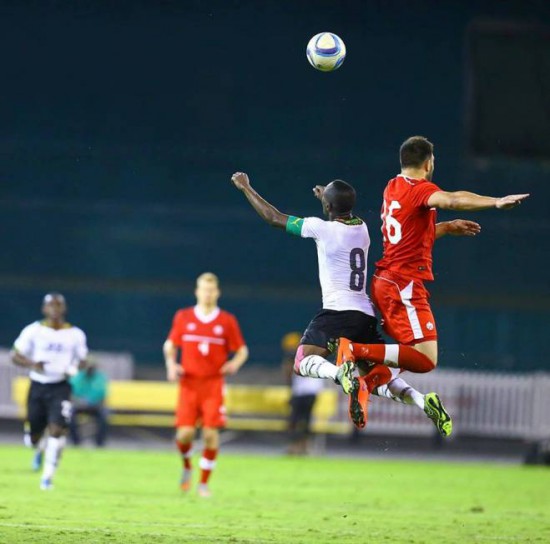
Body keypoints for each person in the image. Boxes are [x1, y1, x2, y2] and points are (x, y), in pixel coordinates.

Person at [231, 172, 448, 433]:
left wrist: (246, 188)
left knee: (301, 361)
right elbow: (339, 209)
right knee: (375, 378)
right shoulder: (362, 228)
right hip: (364, 314)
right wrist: (328, 197)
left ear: (328, 208)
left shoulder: (321, 229)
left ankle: (339, 374)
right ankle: (423, 401)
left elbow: (273, 217)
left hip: (337, 311)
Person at [341, 135, 529, 430]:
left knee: (404, 357)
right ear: (429, 163)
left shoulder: (393, 186)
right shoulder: (420, 190)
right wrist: (496, 202)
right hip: (403, 284)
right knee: (426, 359)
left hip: (386, 280)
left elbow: (407, 235)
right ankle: (353, 351)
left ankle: (364, 385)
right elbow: (453, 199)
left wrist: (444, 228)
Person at [163, 272, 248, 497]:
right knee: (184, 435)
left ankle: (203, 484)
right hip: (189, 384)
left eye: (211, 289)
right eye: (203, 289)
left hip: (213, 385)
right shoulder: (184, 317)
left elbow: (242, 350)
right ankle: (187, 467)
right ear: (197, 291)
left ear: (217, 292)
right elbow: (169, 345)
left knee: (211, 435)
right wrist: (171, 365)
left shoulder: (226, 321)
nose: (207, 293)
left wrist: (234, 364)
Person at [11, 293, 88, 490]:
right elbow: (15, 355)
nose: (55, 309)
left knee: (56, 429)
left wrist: (74, 368)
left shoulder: (75, 334)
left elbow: (83, 359)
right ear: (44, 309)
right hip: (37, 386)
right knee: (32, 438)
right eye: (50, 305)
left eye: (58, 305)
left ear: (64, 309)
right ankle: (39, 449)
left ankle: (47, 478)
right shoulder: (34, 331)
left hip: (61, 387)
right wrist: (32, 364)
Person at [281, 332, 324, 455]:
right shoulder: (315, 351)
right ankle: (302, 447)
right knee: (304, 421)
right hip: (311, 390)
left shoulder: (294, 355)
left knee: (295, 421)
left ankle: (296, 447)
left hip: (302, 391)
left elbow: (289, 373)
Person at [69, 362, 109, 447]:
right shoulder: (78, 377)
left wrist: (91, 401)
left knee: (104, 414)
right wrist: (80, 401)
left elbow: (103, 395)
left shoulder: (100, 378)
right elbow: (72, 394)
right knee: (69, 414)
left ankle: (99, 443)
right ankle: (75, 442)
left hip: (95, 406)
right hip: (79, 406)